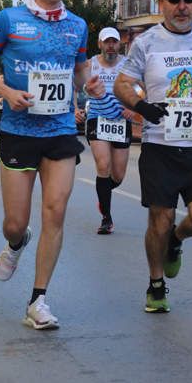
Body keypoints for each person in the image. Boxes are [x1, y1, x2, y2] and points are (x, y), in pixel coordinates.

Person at [0, 0, 104, 330]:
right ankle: (15, 242)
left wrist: (88, 85)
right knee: (16, 222)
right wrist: (4, 92)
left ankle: (38, 300)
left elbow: (79, 71)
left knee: (55, 211)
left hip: (60, 130)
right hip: (17, 130)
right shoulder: (9, 20)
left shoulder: (77, 25)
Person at [114, 0, 192, 314]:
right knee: (160, 219)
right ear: (161, 4)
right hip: (160, 147)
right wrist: (142, 106)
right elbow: (122, 85)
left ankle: (176, 242)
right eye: (175, 0)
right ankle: (155, 285)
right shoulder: (146, 42)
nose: (183, 7)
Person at [76, 26, 135, 234]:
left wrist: (132, 106)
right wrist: (74, 108)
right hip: (97, 118)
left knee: (117, 175)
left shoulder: (127, 65)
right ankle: (106, 218)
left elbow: (139, 88)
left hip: (120, 121)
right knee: (103, 165)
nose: (111, 46)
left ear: (119, 44)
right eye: (107, 42)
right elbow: (74, 85)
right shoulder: (90, 65)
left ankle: (103, 194)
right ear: (100, 44)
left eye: (114, 42)